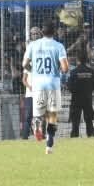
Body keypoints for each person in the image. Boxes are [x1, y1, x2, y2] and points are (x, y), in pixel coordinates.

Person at [22, 21, 69, 155]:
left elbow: (24, 64)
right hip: (52, 83)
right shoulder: (58, 46)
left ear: (42, 32)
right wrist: (59, 70)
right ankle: (49, 144)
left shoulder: (33, 45)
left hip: (37, 83)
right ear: (54, 32)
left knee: (39, 113)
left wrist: (33, 70)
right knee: (52, 114)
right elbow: (65, 68)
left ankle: (37, 122)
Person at [66, 53, 94, 138]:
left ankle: (74, 137)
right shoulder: (92, 72)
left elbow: (69, 86)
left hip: (76, 99)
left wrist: (75, 91)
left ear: (78, 60)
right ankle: (91, 135)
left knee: (75, 122)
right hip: (87, 98)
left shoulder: (73, 72)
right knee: (89, 120)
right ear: (87, 60)